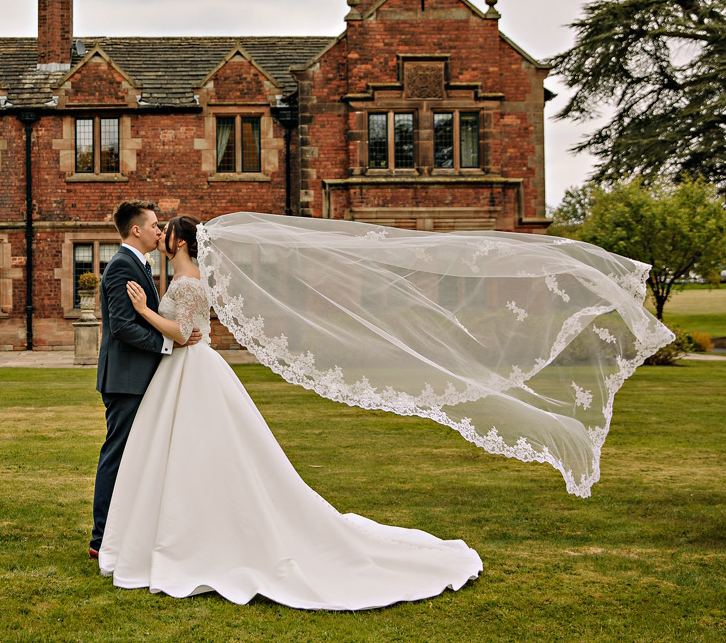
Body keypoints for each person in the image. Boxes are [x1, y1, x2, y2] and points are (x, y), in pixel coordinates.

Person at [97, 214, 483, 610]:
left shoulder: (190, 282)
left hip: (191, 369)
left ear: (180, 243)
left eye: (167, 230)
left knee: (199, 450)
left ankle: (196, 536)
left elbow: (182, 333)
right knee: (177, 453)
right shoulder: (176, 278)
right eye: (156, 227)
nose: (161, 233)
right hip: (179, 373)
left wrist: (145, 311)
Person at [89, 201, 201, 561]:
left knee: (137, 457)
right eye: (154, 225)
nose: (159, 230)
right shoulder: (123, 266)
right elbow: (122, 327)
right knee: (118, 455)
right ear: (136, 230)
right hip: (126, 380)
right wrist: (170, 342)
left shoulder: (139, 264)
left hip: (139, 378)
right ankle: (101, 537)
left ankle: (130, 530)